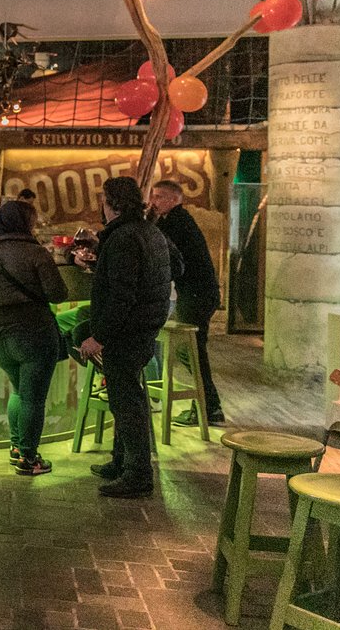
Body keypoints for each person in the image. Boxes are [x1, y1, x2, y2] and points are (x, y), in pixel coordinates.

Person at [80, 176, 175, 499]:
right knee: (126, 397)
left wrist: (98, 337)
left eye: (103, 199)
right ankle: (121, 461)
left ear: (111, 203)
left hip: (127, 330)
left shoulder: (123, 237)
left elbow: (122, 296)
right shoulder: (150, 231)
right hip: (146, 325)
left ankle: (137, 474)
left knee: (126, 402)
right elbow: (177, 265)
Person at [0, 200, 68, 477]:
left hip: (0, 335)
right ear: (26, 223)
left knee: (19, 392)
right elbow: (58, 294)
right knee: (33, 399)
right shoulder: (36, 253)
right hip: (34, 332)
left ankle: (17, 447)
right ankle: (29, 459)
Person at [150, 179, 224, 427]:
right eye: (153, 196)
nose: (153, 201)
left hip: (197, 295)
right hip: (198, 294)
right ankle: (208, 407)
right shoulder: (175, 221)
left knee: (190, 351)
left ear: (174, 199)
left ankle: (208, 408)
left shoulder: (176, 223)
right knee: (192, 351)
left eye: (159, 197)